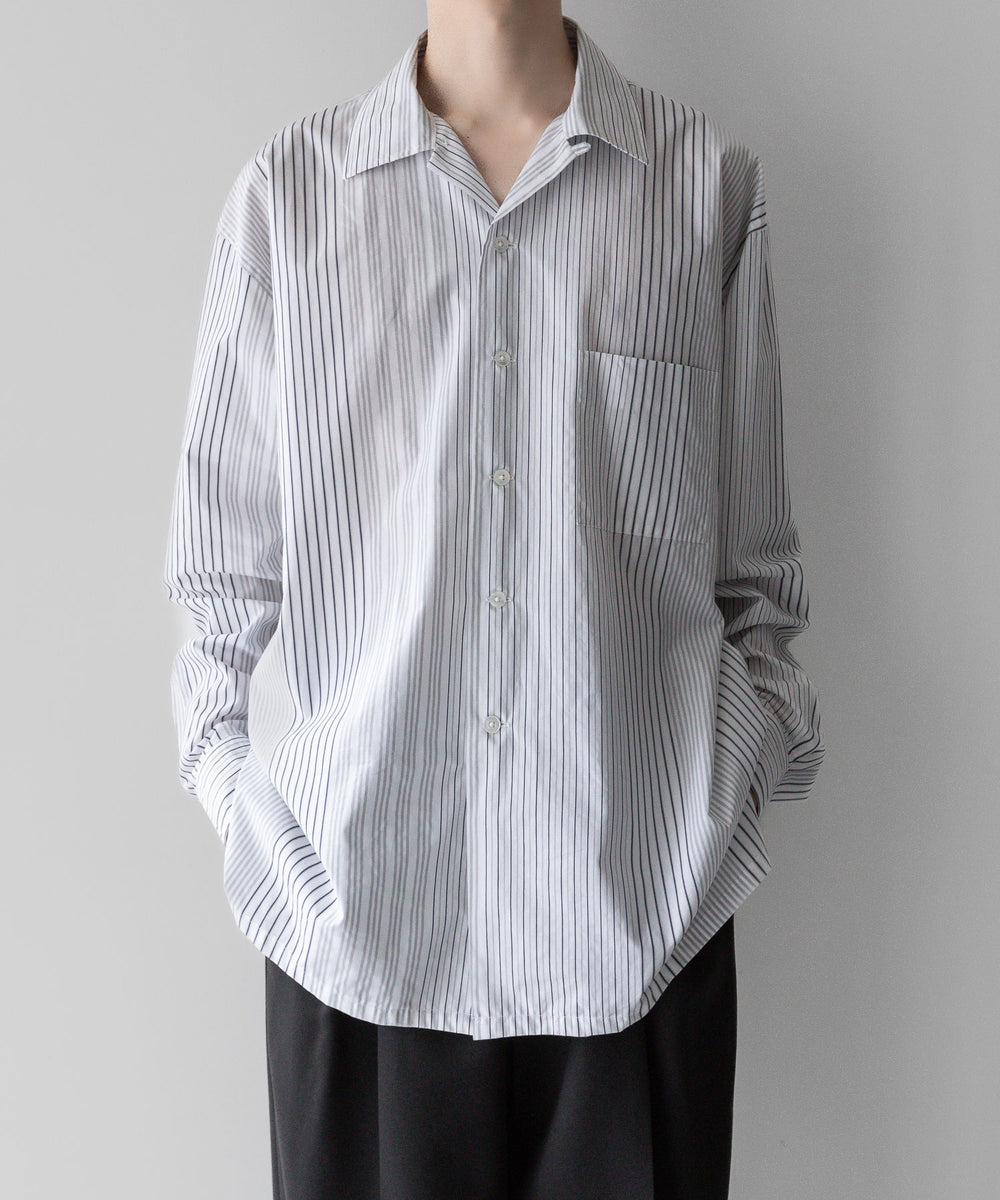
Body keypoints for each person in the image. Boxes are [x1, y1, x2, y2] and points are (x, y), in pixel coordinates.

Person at [162, 3, 826, 1197]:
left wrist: (713, 807)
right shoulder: (290, 201)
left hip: (638, 943)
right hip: (355, 942)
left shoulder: (701, 188)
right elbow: (218, 597)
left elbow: (756, 586)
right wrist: (258, 820)